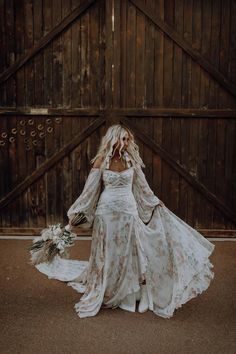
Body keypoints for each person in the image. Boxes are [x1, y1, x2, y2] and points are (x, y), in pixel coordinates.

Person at [35, 124, 215, 319]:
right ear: (113, 139)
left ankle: (138, 291)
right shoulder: (101, 161)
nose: (126, 143)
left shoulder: (132, 161)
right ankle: (118, 292)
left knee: (135, 251)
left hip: (129, 212)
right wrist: (76, 215)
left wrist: (155, 202)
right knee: (110, 253)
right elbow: (90, 191)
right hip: (106, 214)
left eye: (128, 139)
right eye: (123, 139)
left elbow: (143, 188)